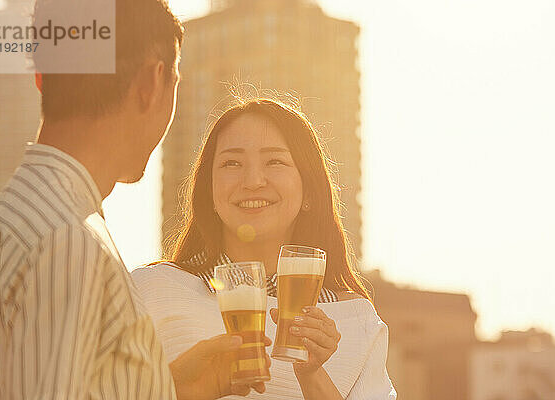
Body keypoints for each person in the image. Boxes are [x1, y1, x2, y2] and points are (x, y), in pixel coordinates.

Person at [0, 1, 266, 399]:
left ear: (41, 78)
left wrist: (169, 389)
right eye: (176, 81)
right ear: (152, 83)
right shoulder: (69, 241)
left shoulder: (18, 212)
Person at [133, 98, 397, 399]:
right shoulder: (150, 290)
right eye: (232, 163)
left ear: (308, 190)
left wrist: (312, 375)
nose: (253, 181)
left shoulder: (356, 319)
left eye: (275, 161)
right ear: (210, 191)